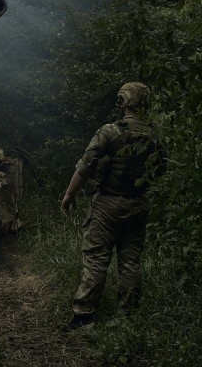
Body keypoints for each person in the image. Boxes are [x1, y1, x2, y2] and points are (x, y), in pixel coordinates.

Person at [60, 82, 167, 330]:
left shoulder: (110, 132)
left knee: (96, 259)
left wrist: (68, 195)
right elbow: (162, 169)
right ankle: (127, 318)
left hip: (107, 203)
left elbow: (85, 166)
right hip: (138, 203)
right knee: (130, 261)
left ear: (124, 101)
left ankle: (84, 316)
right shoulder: (154, 136)